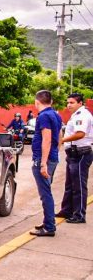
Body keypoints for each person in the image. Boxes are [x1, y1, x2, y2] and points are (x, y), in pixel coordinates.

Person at [30, 90, 63, 237]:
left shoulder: (43, 116)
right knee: (46, 191)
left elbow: (47, 139)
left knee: (45, 194)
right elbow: (60, 136)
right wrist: (56, 153)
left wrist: (43, 163)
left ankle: (49, 227)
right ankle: (47, 221)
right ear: (51, 101)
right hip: (53, 157)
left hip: (43, 159)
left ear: (37, 102)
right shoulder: (56, 114)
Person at [57, 93, 93, 223]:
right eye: (68, 102)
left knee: (78, 186)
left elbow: (80, 134)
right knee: (70, 185)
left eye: (72, 102)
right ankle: (67, 210)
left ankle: (79, 215)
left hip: (81, 153)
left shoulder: (82, 115)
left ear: (80, 103)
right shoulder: (76, 115)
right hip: (73, 153)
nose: (68, 105)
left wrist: (61, 140)